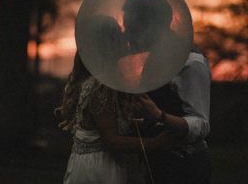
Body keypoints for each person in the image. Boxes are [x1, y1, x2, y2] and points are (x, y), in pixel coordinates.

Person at [123, 0, 212, 184]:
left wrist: (158, 115)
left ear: (155, 26)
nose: (127, 35)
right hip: (157, 165)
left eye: (131, 28)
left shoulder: (191, 61)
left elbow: (201, 124)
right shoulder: (153, 59)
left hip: (185, 169)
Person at [56, 52, 173, 184]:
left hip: (87, 163)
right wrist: (156, 143)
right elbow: (112, 141)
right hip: (100, 168)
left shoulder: (92, 83)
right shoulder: (100, 87)